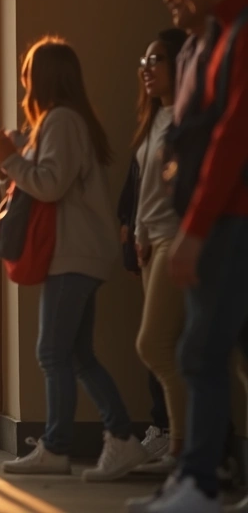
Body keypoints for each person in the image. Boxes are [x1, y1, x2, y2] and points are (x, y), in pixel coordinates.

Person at [0, 37, 147, 480]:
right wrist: (9, 159)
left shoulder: (61, 121)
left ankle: (58, 447)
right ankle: (121, 438)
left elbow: (49, 185)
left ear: (41, 78)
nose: (23, 82)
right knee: (76, 355)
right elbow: (33, 188)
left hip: (73, 253)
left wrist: (11, 158)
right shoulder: (61, 123)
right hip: (79, 252)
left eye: (27, 74)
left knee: (53, 352)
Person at [131, 0, 248, 513]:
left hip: (231, 220)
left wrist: (195, 231)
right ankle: (194, 477)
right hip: (217, 220)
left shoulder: (238, 36)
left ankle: (199, 482)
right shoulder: (210, 40)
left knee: (199, 352)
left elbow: (231, 140)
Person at [128, 29, 191, 476]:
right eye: (144, 61)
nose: (147, 69)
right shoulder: (155, 117)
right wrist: (138, 233)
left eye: (157, 60)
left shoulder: (186, 119)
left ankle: (184, 451)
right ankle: (186, 449)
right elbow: (146, 187)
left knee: (153, 344)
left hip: (176, 236)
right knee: (174, 347)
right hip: (150, 241)